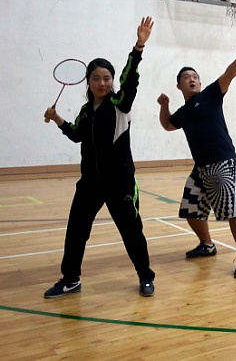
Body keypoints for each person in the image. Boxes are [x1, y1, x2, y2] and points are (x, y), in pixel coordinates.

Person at [43, 16, 156, 298]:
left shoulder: (120, 104)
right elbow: (77, 135)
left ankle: (145, 276)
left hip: (120, 182)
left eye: (107, 78)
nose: (102, 82)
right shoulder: (86, 111)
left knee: (131, 231)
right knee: (76, 230)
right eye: (96, 78)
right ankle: (71, 279)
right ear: (88, 82)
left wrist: (138, 47)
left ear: (112, 81)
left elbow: (130, 79)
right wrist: (57, 119)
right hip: (90, 183)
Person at [156, 39, 236, 278]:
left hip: (223, 163)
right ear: (179, 85)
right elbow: (168, 125)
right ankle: (207, 245)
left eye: (195, 76)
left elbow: (229, 73)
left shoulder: (211, 95)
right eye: (186, 77)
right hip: (201, 168)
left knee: (233, 210)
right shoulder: (183, 112)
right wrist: (164, 106)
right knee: (190, 210)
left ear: (200, 82)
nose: (192, 79)